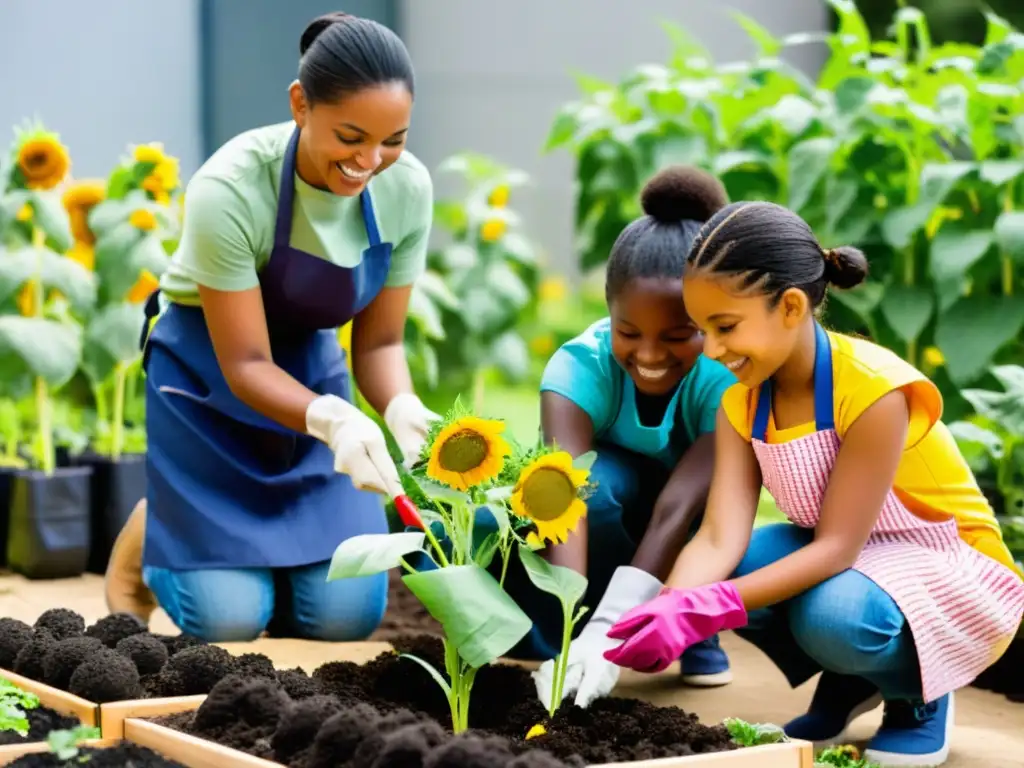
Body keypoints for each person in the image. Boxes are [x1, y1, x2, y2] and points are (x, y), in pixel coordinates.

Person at [600, 201, 1024, 767]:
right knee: (740, 567)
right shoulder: (742, 404)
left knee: (832, 616)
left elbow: (835, 548)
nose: (713, 350)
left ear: (791, 306)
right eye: (703, 331)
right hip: (860, 560)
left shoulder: (874, 391)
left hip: (949, 563)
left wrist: (710, 607)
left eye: (726, 327)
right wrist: (670, 608)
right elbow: (718, 538)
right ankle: (852, 679)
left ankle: (919, 694)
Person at [103, 11, 439, 642]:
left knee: (344, 615)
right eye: (350, 136)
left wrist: (401, 407)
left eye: (392, 139)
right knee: (228, 620)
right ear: (300, 105)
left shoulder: (407, 189)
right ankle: (152, 538)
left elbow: (382, 342)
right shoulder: (230, 187)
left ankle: (251, 561)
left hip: (311, 372)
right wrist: (334, 420)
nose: (371, 160)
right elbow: (247, 365)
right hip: (209, 382)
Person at [493, 166, 739, 708]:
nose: (649, 356)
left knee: (713, 506)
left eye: (679, 336)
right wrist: (572, 627)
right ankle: (578, 633)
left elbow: (680, 508)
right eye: (629, 333)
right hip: (608, 506)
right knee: (595, 488)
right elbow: (564, 497)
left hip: (691, 514)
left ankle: (690, 624)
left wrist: (609, 627)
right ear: (608, 310)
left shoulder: (727, 379)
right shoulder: (577, 370)